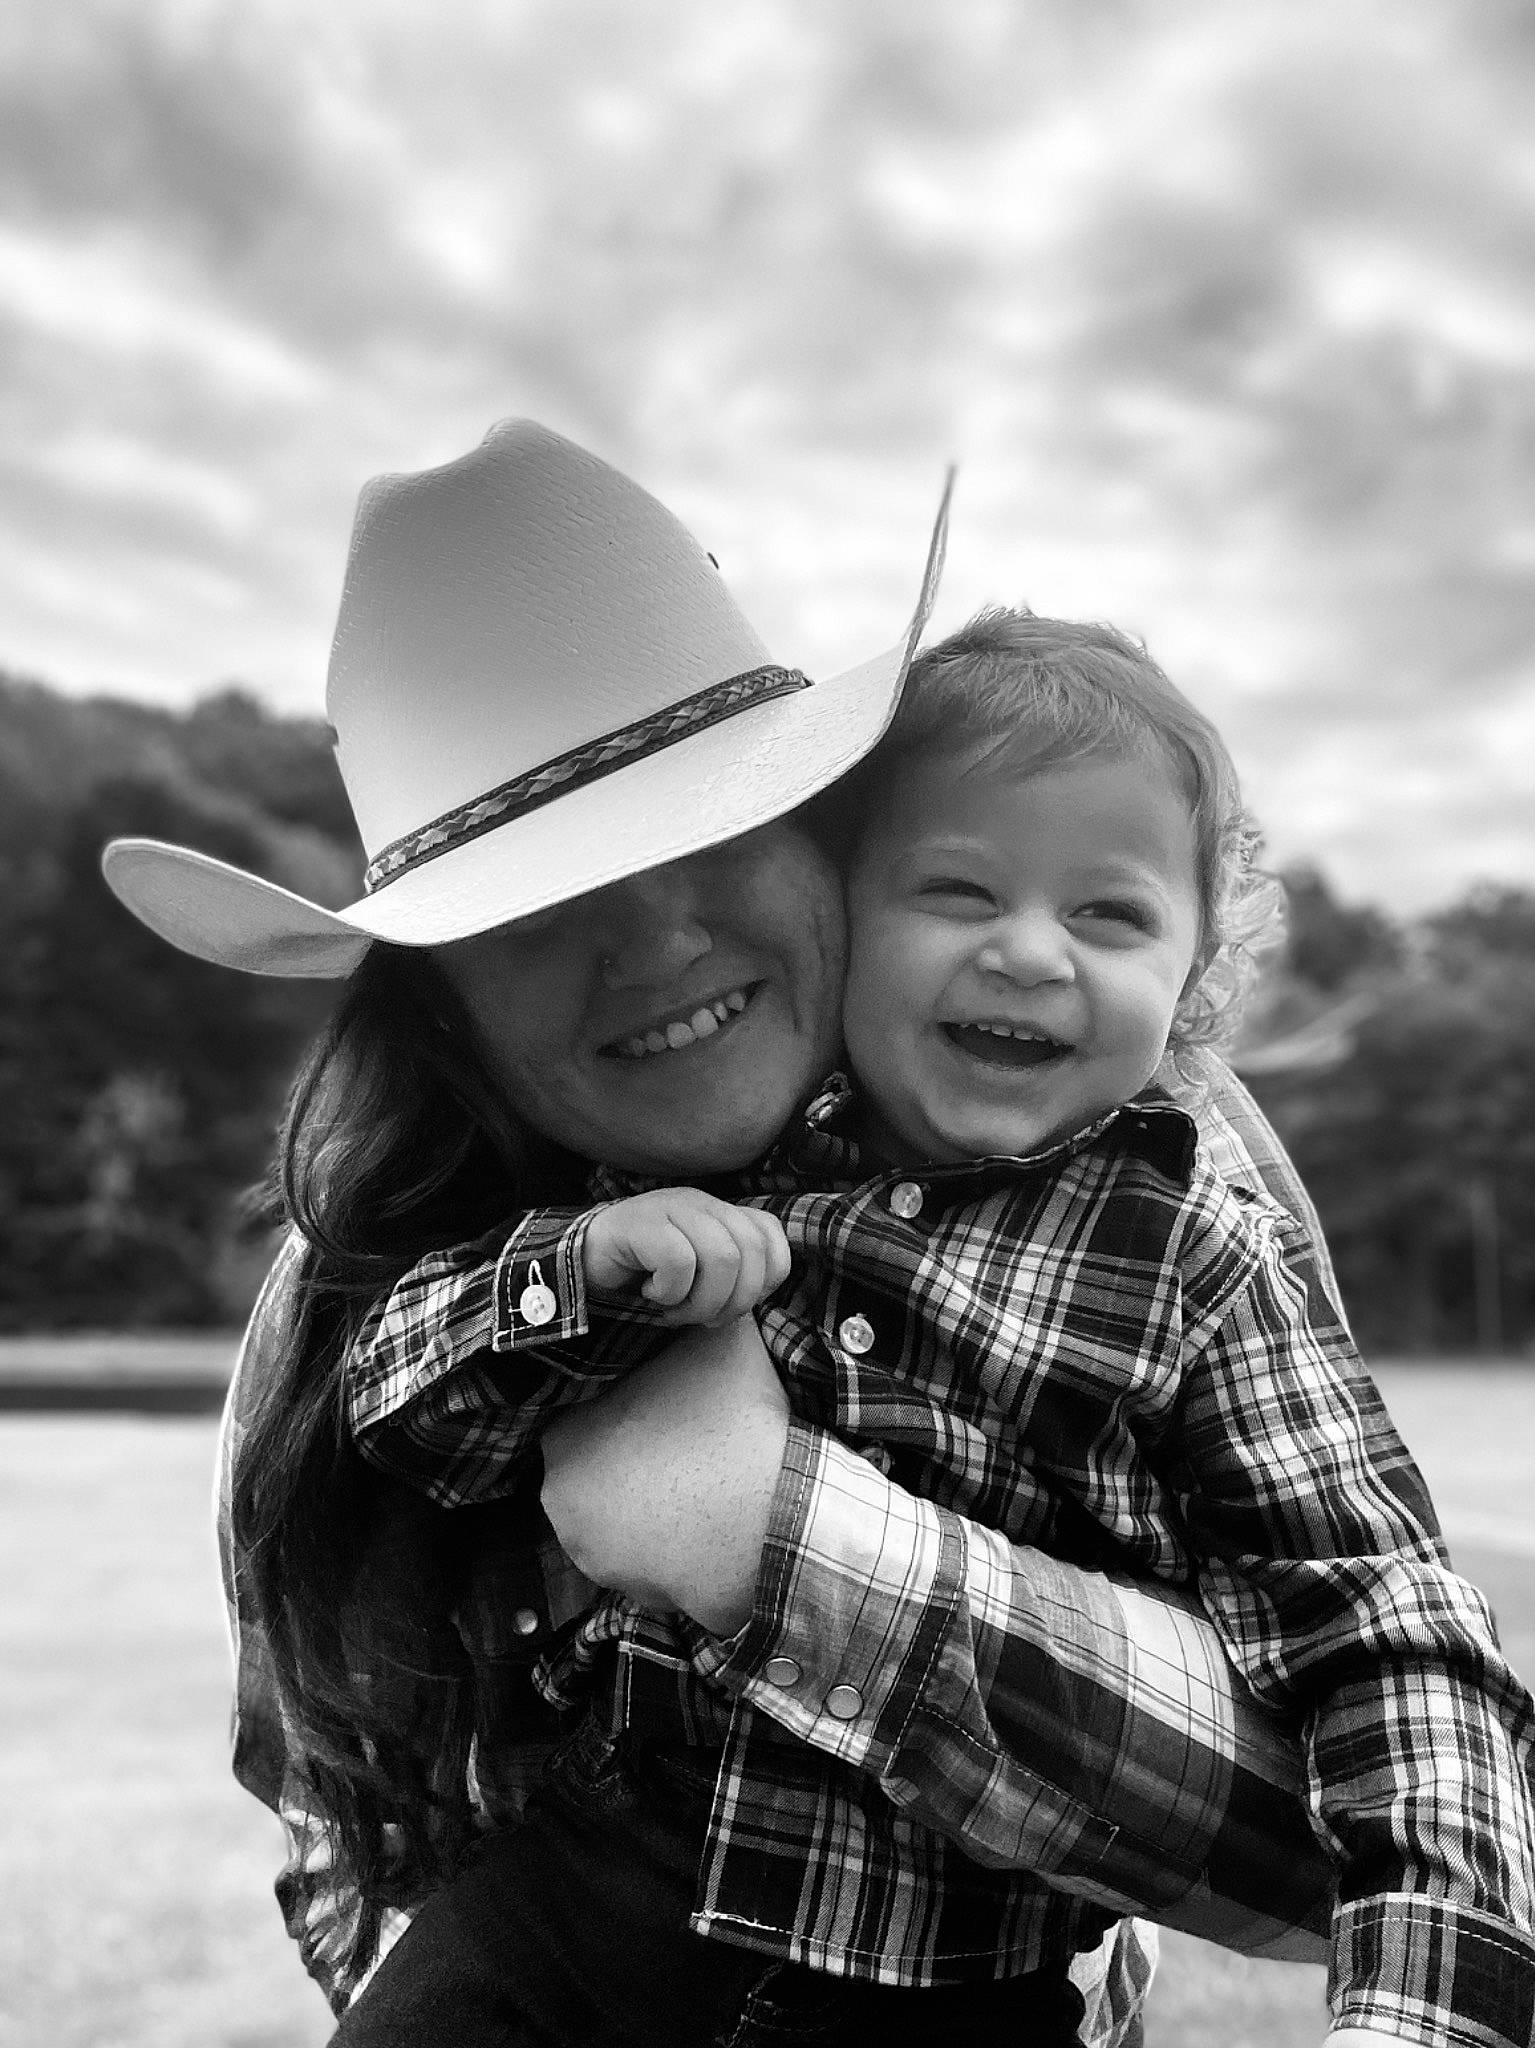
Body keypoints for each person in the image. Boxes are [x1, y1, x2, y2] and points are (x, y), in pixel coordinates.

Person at [94, 421, 1527, 2047]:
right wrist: (575, 1296)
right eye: (534, 909)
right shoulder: (346, 1293)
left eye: (707, 831)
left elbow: (1333, 1786)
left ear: (825, 825)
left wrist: (780, 1541)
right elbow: (339, 1822)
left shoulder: (1177, 1191)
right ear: (437, 994)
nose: (654, 943)